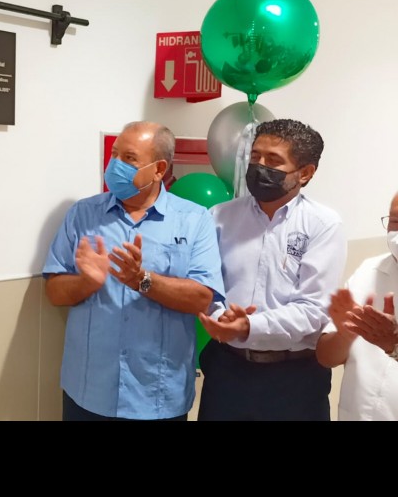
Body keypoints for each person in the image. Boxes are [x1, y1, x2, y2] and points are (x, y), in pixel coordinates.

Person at [43, 121, 225, 421]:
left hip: (157, 395)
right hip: (89, 390)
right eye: (114, 154)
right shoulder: (83, 214)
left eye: (129, 158)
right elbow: (54, 292)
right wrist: (86, 282)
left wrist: (142, 280)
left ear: (159, 169)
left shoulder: (194, 220)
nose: (116, 164)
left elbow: (202, 298)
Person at [197, 118, 347, 421]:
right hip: (227, 369)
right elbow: (207, 285)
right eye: (255, 156)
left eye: (273, 160)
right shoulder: (220, 216)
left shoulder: (323, 224)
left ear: (305, 173)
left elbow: (313, 309)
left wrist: (249, 326)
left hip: (295, 377)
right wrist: (220, 318)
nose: (260, 166)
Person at [315, 190, 398, 420]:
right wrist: (344, 335)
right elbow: (326, 357)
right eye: (395, 221)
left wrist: (394, 345)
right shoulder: (367, 271)